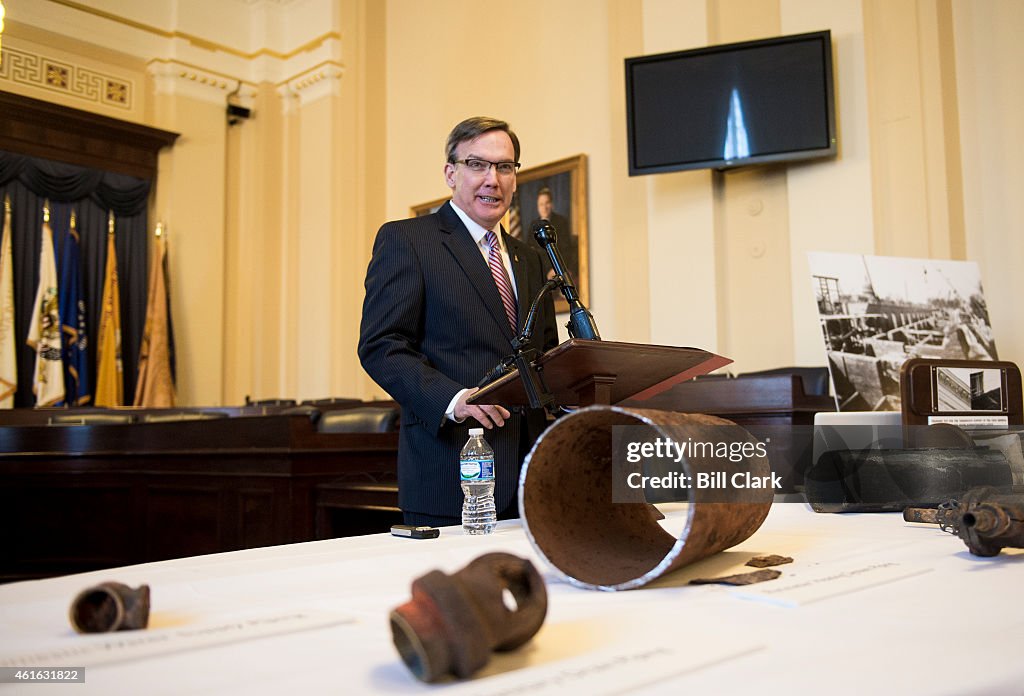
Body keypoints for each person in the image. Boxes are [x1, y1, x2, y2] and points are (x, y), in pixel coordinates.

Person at [358, 117, 559, 527]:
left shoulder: (531, 257)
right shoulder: (408, 240)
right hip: (450, 473)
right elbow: (381, 346)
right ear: (451, 173)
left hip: (532, 479)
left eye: (505, 167)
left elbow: (545, 354)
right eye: (477, 165)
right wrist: (454, 400)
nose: (493, 179)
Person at [529, 186, 578, 284]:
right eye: (541, 204)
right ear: (538, 207)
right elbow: (532, 251)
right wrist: (546, 272)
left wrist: (555, 269)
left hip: (560, 268)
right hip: (542, 271)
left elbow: (566, 249)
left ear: (552, 205)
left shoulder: (561, 222)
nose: (544, 207)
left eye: (547, 203)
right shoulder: (533, 226)